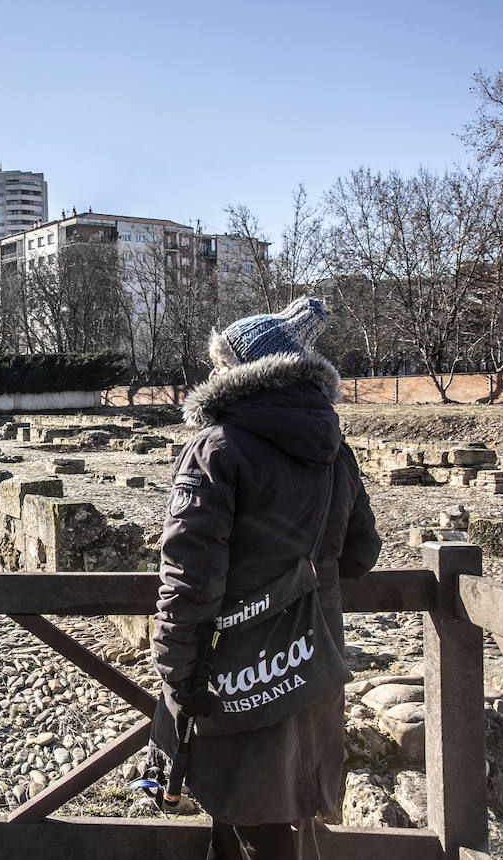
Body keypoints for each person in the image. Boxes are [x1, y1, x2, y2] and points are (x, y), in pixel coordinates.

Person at [149, 297, 381, 859]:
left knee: (250, 820)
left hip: (237, 663)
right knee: (286, 814)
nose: (212, 374)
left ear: (245, 373)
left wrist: (175, 669)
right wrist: (303, 579)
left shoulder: (215, 449)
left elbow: (189, 575)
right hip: (314, 653)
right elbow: (363, 552)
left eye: (221, 362)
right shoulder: (336, 447)